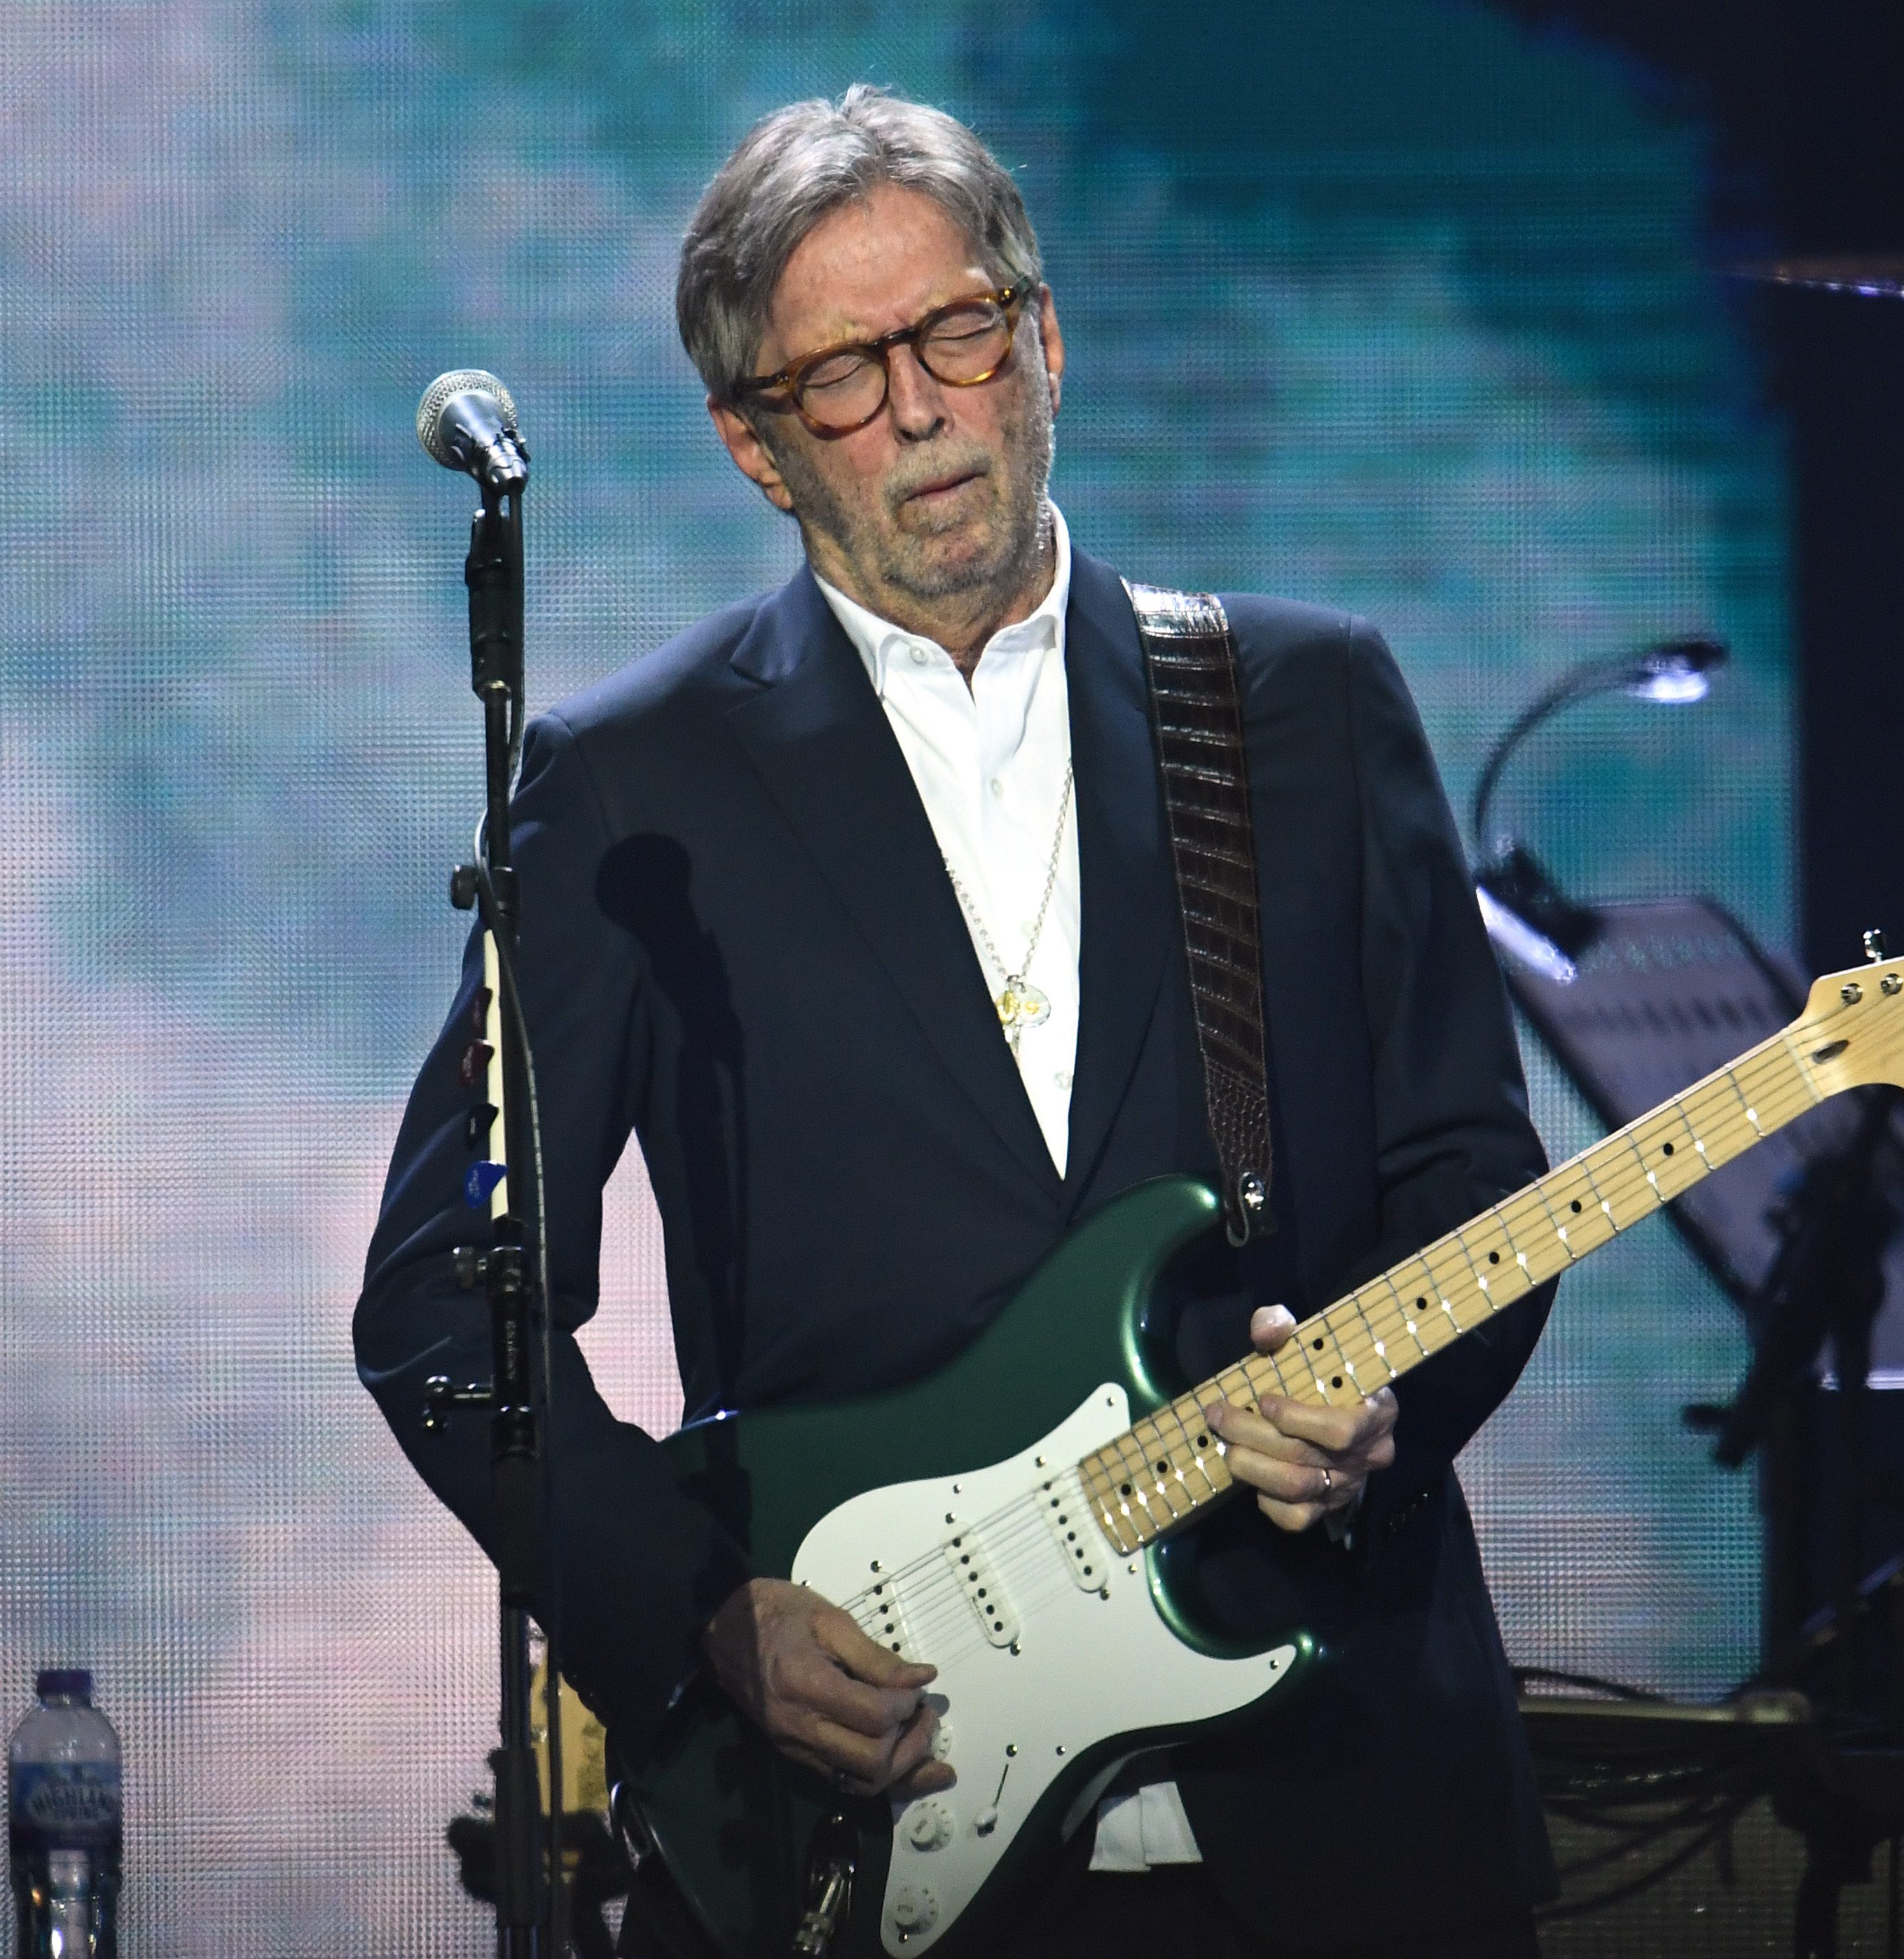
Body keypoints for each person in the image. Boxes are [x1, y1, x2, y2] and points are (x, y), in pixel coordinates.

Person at [356, 85, 1559, 1957]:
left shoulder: (1303, 703)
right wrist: (702, 1622)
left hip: (1338, 1819)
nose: (918, 408)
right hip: (876, 1830)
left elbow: (1474, 1174)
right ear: (758, 447)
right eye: (840, 374)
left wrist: (1380, 1401)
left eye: (957, 334)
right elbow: (447, 1305)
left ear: (1044, 340)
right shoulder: (628, 793)